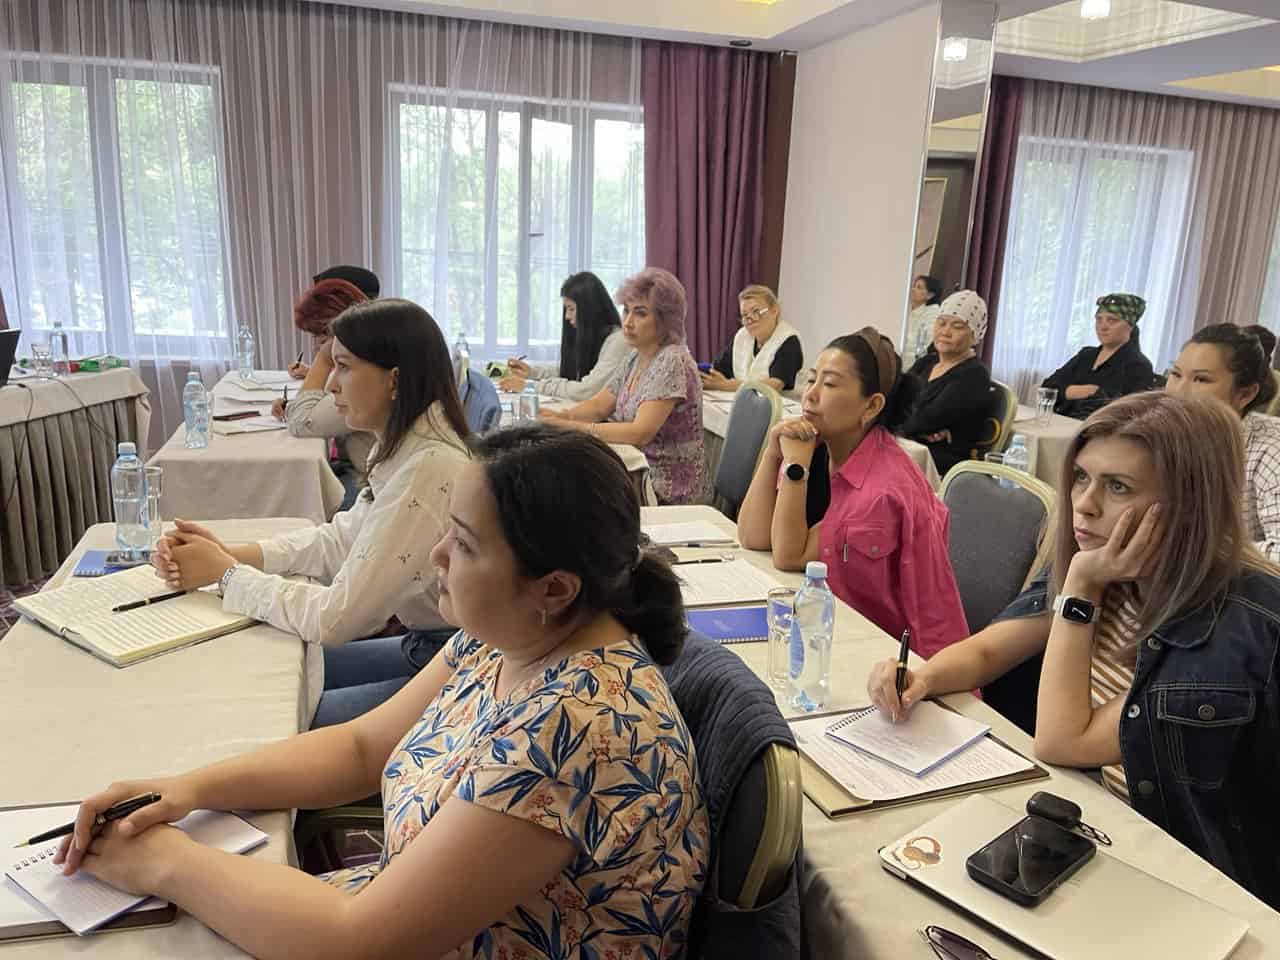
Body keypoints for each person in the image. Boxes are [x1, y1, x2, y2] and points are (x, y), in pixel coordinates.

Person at [55, 425, 709, 959]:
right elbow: (363, 748)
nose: (437, 556)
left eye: (465, 544)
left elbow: (357, 940)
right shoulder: (513, 635)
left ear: (555, 587)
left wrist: (165, 862)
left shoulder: (576, 726)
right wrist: (188, 788)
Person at [865, 391, 1280, 910]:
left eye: (1118, 486)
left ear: (1188, 503)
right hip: (1079, 822)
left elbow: (1062, 740)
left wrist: (1081, 588)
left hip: (1177, 869)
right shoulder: (1107, 562)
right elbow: (989, 652)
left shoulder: (1240, 622)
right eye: (1081, 477)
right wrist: (924, 676)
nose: (1084, 503)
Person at [153, 299, 471, 726]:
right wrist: (233, 554)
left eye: (343, 366)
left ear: (394, 379)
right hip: (429, 645)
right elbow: (341, 540)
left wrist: (225, 574)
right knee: (270, 665)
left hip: (457, 662)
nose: (330, 385)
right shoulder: (404, 442)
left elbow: (335, 620)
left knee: (273, 720)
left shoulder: (427, 466)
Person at [738, 327, 968, 660]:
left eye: (829, 384)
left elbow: (788, 556)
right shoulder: (821, 446)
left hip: (897, 659)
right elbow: (753, 535)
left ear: (871, 405)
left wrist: (793, 468)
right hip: (843, 630)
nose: (810, 395)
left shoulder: (878, 490)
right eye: (813, 379)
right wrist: (774, 451)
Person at [543, 267, 710, 505]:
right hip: (633, 469)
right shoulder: (636, 355)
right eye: (627, 311)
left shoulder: (672, 360)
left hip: (665, 488)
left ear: (665, 319)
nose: (628, 322)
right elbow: (600, 405)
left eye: (640, 314)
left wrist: (571, 427)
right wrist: (559, 416)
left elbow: (639, 433)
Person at [1166, 323, 1280, 561]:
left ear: (1245, 394)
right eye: (1175, 374)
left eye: (1201, 380)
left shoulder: (1271, 448)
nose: (1179, 391)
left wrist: (1207, 549)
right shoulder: (1166, 434)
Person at [272, 278, 374, 507]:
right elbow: (322, 403)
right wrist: (292, 405)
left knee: (295, 500)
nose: (317, 347)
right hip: (361, 471)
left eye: (320, 339)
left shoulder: (364, 374)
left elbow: (301, 423)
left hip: (365, 485)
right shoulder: (363, 362)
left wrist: (324, 357)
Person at [902, 289, 994, 478]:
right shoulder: (927, 362)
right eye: (941, 323)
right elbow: (895, 398)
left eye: (957, 326)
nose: (945, 332)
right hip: (912, 445)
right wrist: (915, 428)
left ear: (974, 334)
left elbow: (924, 420)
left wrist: (913, 426)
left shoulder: (974, 375)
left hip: (942, 461)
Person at [499, 272, 629, 402]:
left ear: (590, 309)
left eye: (571, 309)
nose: (567, 316)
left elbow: (586, 390)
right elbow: (570, 370)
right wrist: (532, 373)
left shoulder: (618, 341)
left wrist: (530, 386)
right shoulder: (595, 338)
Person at [1041, 293, 1155, 420]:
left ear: (1130, 326)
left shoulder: (1138, 365)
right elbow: (1047, 388)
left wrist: (1066, 392)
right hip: (1060, 423)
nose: (1103, 326)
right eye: (1099, 319)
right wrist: (1088, 390)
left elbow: (1120, 412)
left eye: (1112, 320)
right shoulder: (1086, 355)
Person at [700, 284, 803, 394]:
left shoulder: (789, 340)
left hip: (781, 406)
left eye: (756, 312)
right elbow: (717, 371)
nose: (750, 320)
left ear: (775, 310)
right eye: (745, 315)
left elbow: (774, 385)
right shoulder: (743, 336)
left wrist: (726, 385)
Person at [289, 266, 381, 379]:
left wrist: (320, 365)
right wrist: (312, 372)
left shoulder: (370, 352)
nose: (319, 343)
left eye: (324, 334)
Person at [902, 274, 943, 368]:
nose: (913, 289)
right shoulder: (909, 310)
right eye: (914, 286)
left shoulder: (934, 312)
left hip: (916, 363)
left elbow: (923, 343)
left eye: (919, 287)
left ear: (930, 295)